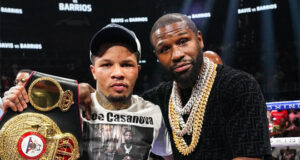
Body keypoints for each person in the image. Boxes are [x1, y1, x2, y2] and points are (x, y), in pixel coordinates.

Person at [1, 24, 173, 160]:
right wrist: (10, 111)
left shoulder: (154, 113)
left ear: (138, 69)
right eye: (106, 64)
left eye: (127, 65)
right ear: (93, 71)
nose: (118, 73)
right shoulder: (67, 105)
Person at [140, 13, 271, 159]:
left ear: (199, 40)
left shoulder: (239, 86)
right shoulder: (156, 100)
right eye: (164, 49)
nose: (176, 54)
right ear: (157, 55)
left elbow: (249, 157)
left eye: (183, 41)